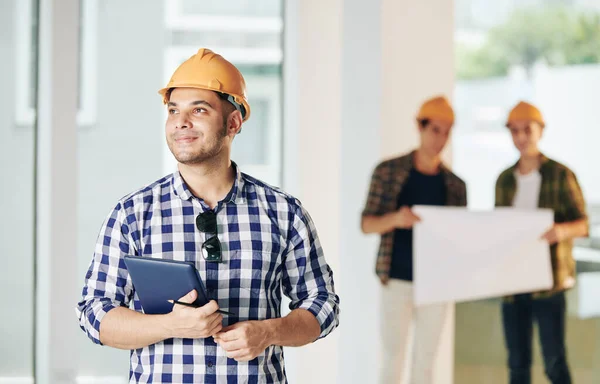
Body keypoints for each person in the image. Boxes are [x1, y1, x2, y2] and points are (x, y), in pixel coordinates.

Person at [76, 48, 340, 383]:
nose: (181, 122)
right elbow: (94, 314)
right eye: (173, 111)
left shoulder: (284, 213)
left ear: (233, 122)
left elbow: (323, 305)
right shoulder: (132, 214)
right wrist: (169, 325)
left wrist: (269, 332)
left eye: (198, 110)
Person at [361, 95, 467, 384]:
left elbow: (459, 238)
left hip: (437, 283)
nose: (441, 138)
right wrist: (397, 218)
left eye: (447, 131)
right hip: (396, 278)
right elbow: (367, 224)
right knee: (391, 360)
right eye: (435, 129)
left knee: (426, 364)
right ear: (420, 127)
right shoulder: (388, 171)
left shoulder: (455, 185)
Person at [496, 101, 588, 384]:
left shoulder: (561, 175)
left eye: (527, 130)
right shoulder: (504, 180)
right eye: (514, 131)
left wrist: (559, 232)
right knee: (517, 363)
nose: (521, 137)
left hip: (548, 285)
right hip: (513, 285)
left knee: (554, 360)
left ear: (540, 130)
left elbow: (583, 224)